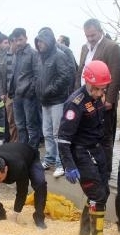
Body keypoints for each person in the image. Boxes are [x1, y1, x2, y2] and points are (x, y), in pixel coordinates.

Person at [58, 60, 111, 235]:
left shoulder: (98, 98)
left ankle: (84, 232)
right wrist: (69, 165)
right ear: (87, 81)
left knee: (104, 191)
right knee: (96, 194)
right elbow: (63, 139)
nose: (99, 93)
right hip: (80, 152)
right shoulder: (75, 103)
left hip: (96, 149)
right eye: (95, 89)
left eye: (102, 89)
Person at [76, 18, 120, 178]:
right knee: (88, 133)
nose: (90, 38)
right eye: (87, 36)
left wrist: (109, 100)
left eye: (93, 35)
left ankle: (106, 169)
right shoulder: (85, 48)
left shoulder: (111, 47)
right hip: (86, 98)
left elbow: (116, 74)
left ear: (100, 31)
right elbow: (81, 71)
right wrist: (77, 93)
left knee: (104, 136)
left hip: (103, 99)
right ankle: (92, 165)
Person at [0, 142, 47, 229]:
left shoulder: (18, 166)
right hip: (11, 152)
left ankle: (39, 218)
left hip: (29, 157)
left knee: (40, 183)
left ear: (6, 169)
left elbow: (22, 191)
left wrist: (15, 216)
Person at [35, 27, 73, 178]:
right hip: (44, 101)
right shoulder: (41, 57)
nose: (39, 44)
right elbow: (38, 76)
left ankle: (60, 163)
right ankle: (49, 158)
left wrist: (49, 90)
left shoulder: (59, 56)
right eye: (38, 42)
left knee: (58, 133)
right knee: (47, 133)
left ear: (49, 41)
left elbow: (65, 77)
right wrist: (38, 89)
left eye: (42, 41)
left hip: (57, 100)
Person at [10, 27, 41, 150]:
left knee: (31, 125)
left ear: (26, 38)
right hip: (16, 95)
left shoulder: (33, 53)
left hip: (28, 96)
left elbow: (37, 75)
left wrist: (30, 91)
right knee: (19, 125)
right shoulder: (16, 53)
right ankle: (23, 150)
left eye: (20, 39)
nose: (18, 43)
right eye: (16, 40)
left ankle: (32, 150)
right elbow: (14, 74)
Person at [0, 33, 18, 143]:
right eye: (5, 43)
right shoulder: (0, 57)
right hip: (7, 94)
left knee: (19, 121)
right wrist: (1, 92)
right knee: (10, 121)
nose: (8, 45)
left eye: (8, 42)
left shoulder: (16, 55)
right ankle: (13, 142)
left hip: (18, 92)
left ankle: (18, 143)